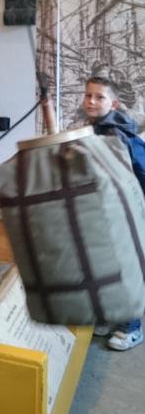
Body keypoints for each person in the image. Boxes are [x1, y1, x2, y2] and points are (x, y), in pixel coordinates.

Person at [83, 76, 145, 351]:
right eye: (88, 95)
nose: (92, 101)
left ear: (114, 104)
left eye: (100, 97)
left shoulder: (114, 135)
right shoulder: (96, 129)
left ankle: (132, 327)